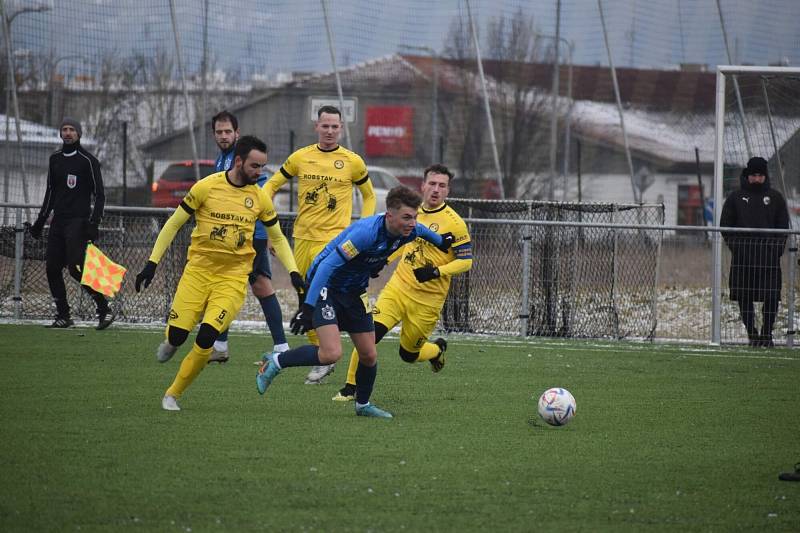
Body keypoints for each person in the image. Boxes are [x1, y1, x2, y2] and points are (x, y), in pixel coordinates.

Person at [134, 136, 305, 411]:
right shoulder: (206, 187)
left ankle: (172, 394)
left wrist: (294, 271)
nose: (259, 173)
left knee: (206, 337)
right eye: (255, 166)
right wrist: (151, 263)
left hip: (232, 279)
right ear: (239, 161)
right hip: (198, 273)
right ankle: (172, 341)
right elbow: (173, 224)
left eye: (262, 167)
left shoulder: (259, 197)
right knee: (178, 335)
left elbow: (279, 237)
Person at [255, 186, 454, 418]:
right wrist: (307, 308)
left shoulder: (410, 229)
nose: (413, 222)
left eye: (415, 216)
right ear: (390, 215)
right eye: (407, 217)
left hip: (355, 291)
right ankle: (276, 362)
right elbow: (328, 265)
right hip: (326, 286)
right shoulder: (365, 233)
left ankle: (363, 405)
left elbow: (424, 232)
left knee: (369, 354)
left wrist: (442, 241)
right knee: (331, 353)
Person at [332, 164, 473, 401]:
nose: (436, 189)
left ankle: (436, 350)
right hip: (398, 289)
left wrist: (436, 272)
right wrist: (383, 260)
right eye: (432, 184)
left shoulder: (455, 223)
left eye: (442, 185)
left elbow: (466, 261)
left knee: (408, 354)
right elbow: (402, 241)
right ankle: (350, 388)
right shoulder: (411, 212)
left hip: (427, 301)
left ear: (448, 190)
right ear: (423, 185)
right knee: (368, 334)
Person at [264, 104, 376, 384]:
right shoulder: (301, 157)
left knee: (327, 294)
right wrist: (268, 225)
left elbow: (370, 196)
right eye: (324, 126)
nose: (329, 131)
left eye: (334, 126)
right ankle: (322, 355)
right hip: (302, 239)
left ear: (341, 128)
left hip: (335, 242)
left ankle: (330, 351)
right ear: (317, 127)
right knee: (305, 298)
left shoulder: (352, 161)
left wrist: (364, 229)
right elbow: (270, 186)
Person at [206, 111, 293, 364]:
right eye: (219, 132)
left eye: (227, 131)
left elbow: (261, 194)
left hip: (249, 236)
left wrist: (265, 236)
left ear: (237, 133)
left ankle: (281, 346)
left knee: (259, 286)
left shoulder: (245, 159)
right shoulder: (221, 160)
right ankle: (222, 345)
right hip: (231, 236)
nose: (223, 136)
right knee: (229, 286)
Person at [27, 117, 115, 330]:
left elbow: (100, 195)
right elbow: (50, 192)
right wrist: (40, 221)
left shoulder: (88, 160)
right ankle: (63, 315)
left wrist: (94, 223)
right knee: (52, 268)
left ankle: (104, 308)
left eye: (71, 130)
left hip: (78, 221)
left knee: (76, 268)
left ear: (79, 134)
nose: (67, 133)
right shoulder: (54, 159)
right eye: (64, 129)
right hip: (58, 222)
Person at [720, 156, 789, 348]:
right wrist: (738, 247)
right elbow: (726, 225)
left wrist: (775, 250)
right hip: (743, 259)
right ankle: (753, 334)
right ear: (747, 175)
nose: (757, 179)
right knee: (744, 296)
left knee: (771, 296)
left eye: (760, 175)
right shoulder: (735, 198)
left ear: (765, 176)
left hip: (768, 260)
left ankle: (767, 334)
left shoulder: (775, 198)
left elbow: (783, 226)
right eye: (753, 175)